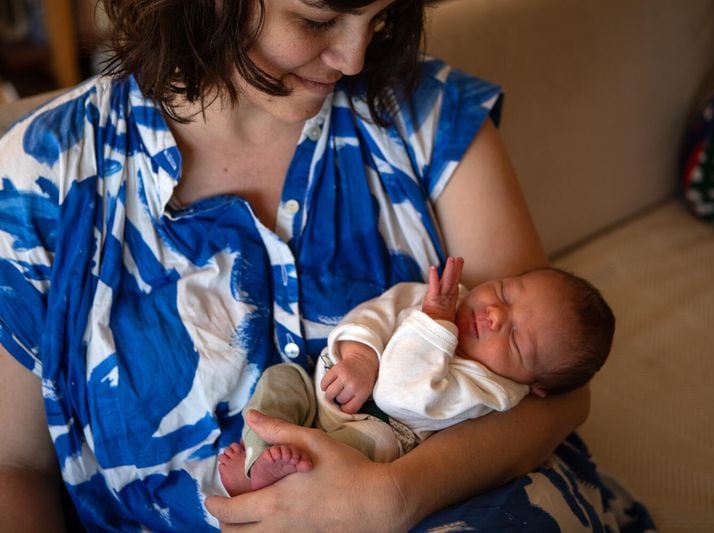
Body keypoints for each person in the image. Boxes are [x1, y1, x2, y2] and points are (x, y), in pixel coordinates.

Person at [0, 0, 634, 530]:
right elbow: (14, 468)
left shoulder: (426, 113)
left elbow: (555, 392)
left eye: (379, 14)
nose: (355, 59)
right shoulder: (42, 176)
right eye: (316, 17)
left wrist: (391, 498)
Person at [218, 256, 615, 496]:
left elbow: (400, 396)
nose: (495, 315)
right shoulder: (446, 296)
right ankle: (255, 464)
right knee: (281, 379)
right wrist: (360, 357)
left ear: (533, 385)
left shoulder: (488, 390)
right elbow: (377, 313)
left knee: (353, 453)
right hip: (324, 387)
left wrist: (436, 324)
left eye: (514, 339)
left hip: (369, 433)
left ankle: (283, 479)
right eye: (507, 293)